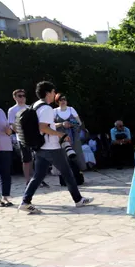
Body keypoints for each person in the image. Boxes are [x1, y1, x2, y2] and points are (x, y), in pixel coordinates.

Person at [19, 82, 93, 214]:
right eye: (53, 92)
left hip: (40, 146)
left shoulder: (35, 105)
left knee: (38, 175)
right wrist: (61, 134)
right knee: (67, 173)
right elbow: (43, 127)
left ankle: (25, 201)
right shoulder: (46, 108)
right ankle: (78, 200)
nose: (54, 94)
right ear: (48, 93)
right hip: (51, 146)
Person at [8, 89, 35, 182]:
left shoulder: (30, 108)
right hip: (22, 138)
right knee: (26, 158)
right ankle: (28, 180)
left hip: (33, 136)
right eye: (19, 96)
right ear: (14, 97)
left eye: (24, 95)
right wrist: (21, 133)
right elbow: (12, 124)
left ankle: (34, 178)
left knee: (33, 157)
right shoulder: (12, 110)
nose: (22, 98)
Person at [54, 94, 87, 171]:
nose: (63, 101)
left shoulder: (71, 109)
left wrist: (72, 124)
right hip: (61, 137)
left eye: (64, 99)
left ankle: (77, 172)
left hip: (73, 135)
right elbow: (51, 125)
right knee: (63, 154)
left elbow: (79, 123)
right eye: (61, 99)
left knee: (76, 153)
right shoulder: (54, 111)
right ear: (57, 101)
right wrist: (62, 124)